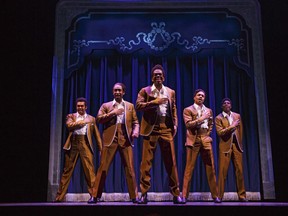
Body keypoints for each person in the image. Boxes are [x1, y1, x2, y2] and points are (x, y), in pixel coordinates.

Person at [136, 64, 184, 204]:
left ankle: (176, 194)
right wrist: (154, 102)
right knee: (146, 163)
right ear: (152, 77)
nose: (158, 76)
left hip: (166, 128)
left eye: (160, 75)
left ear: (163, 77)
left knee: (171, 162)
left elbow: (173, 108)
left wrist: (175, 124)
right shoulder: (145, 91)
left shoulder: (170, 91)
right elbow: (138, 106)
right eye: (155, 75)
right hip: (151, 129)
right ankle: (144, 194)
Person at [87, 82, 139, 204]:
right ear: (112, 92)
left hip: (125, 139)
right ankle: (95, 196)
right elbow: (98, 119)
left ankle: (135, 196)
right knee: (103, 168)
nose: (117, 92)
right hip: (110, 139)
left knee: (130, 169)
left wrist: (135, 132)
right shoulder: (106, 105)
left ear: (123, 92)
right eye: (115, 90)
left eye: (119, 90)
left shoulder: (130, 106)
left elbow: (136, 122)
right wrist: (113, 113)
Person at [55, 97, 102, 202]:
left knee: (90, 172)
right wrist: (81, 123)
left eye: (82, 106)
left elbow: (97, 136)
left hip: (85, 143)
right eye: (78, 106)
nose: (80, 108)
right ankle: (59, 197)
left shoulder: (91, 119)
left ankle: (94, 196)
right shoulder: (71, 116)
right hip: (73, 144)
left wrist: (101, 149)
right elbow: (69, 125)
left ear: (86, 107)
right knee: (67, 171)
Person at [181, 89, 221, 203]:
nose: (201, 97)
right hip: (194, 138)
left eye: (203, 96)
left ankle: (215, 196)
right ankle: (184, 196)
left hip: (205, 138)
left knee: (211, 168)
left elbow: (211, 124)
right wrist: (202, 118)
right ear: (194, 97)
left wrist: (207, 135)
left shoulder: (209, 110)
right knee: (189, 168)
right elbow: (188, 125)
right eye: (198, 95)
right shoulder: (188, 110)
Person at [215, 98, 248, 202]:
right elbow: (220, 133)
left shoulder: (237, 116)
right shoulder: (218, 118)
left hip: (236, 146)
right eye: (224, 103)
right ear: (222, 106)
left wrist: (239, 143)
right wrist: (232, 126)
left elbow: (240, 130)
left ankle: (242, 196)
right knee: (222, 172)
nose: (226, 104)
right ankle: (219, 196)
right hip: (225, 146)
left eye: (228, 103)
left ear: (231, 105)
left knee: (240, 171)